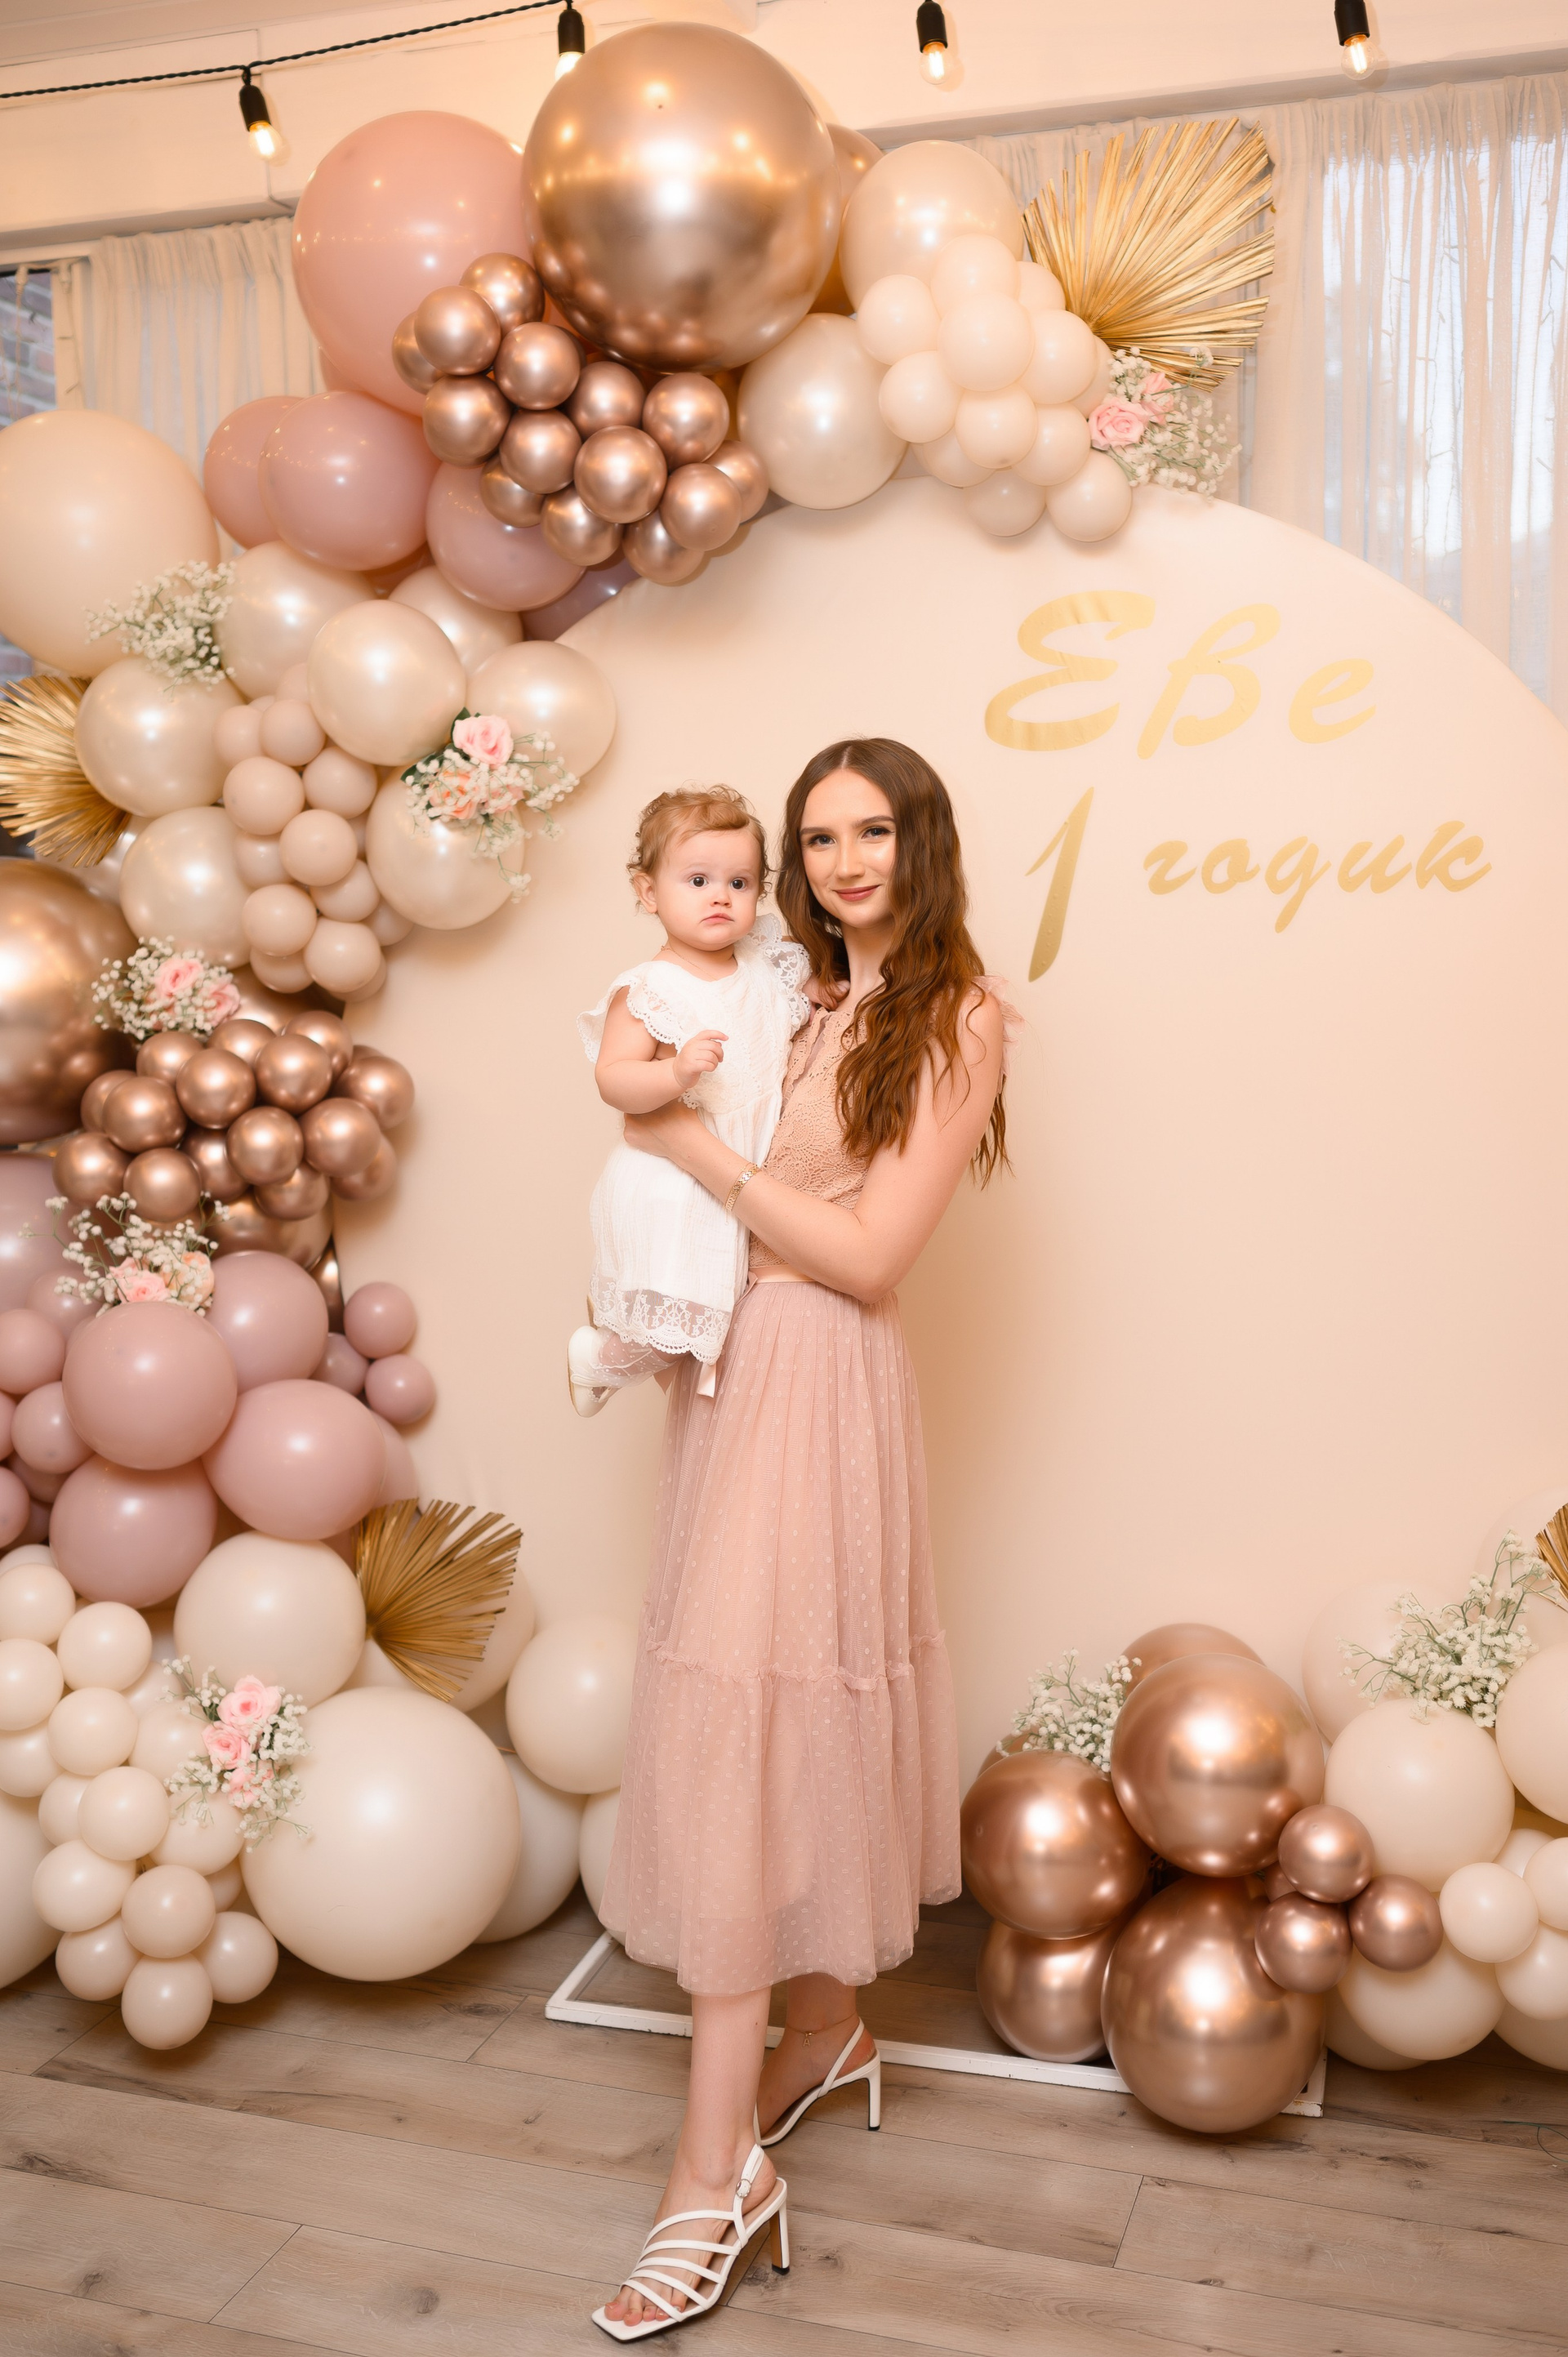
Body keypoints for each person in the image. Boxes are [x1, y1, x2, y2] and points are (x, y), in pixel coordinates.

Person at [594, 739, 1014, 2341]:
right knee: (764, 1694)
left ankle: (714, 2171)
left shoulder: (960, 1017)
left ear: (925, 842)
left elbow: (868, 1252)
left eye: (874, 829)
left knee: (757, 1712)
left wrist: (694, 1152)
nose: (844, 860)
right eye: (820, 835)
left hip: (825, 1371)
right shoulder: (791, 989)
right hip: (731, 1370)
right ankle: (828, 2026)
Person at [568, 786, 809, 1415]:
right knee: (676, 1323)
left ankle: (626, 1364)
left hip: (737, 1171)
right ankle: (596, 1359)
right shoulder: (650, 989)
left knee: (721, 1316)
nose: (720, 896)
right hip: (670, 1183)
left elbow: (800, 999)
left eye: (739, 882)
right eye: (698, 880)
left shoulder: (764, 964)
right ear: (649, 893)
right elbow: (613, 1077)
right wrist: (673, 1072)